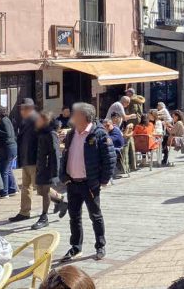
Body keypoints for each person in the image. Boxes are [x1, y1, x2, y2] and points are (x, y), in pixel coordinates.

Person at [60, 103, 115, 262]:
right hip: (72, 182)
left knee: (95, 216)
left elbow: (109, 159)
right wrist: (64, 175)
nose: (72, 117)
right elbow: (66, 156)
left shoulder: (98, 134)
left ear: (84, 117)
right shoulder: (71, 134)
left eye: (75, 114)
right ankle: (76, 247)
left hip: (89, 183)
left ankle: (100, 245)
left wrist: (103, 180)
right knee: (74, 217)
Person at [31, 111, 68, 230]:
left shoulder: (51, 133)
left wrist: (56, 173)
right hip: (40, 165)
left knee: (45, 191)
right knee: (40, 190)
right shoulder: (41, 132)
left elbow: (55, 153)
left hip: (48, 166)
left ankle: (44, 217)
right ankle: (60, 202)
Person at [10, 98, 39, 223]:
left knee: (40, 186)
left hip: (34, 159)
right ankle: (24, 212)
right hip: (25, 158)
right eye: (21, 108)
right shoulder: (24, 122)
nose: (22, 111)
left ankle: (60, 200)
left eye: (24, 108)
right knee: (26, 187)